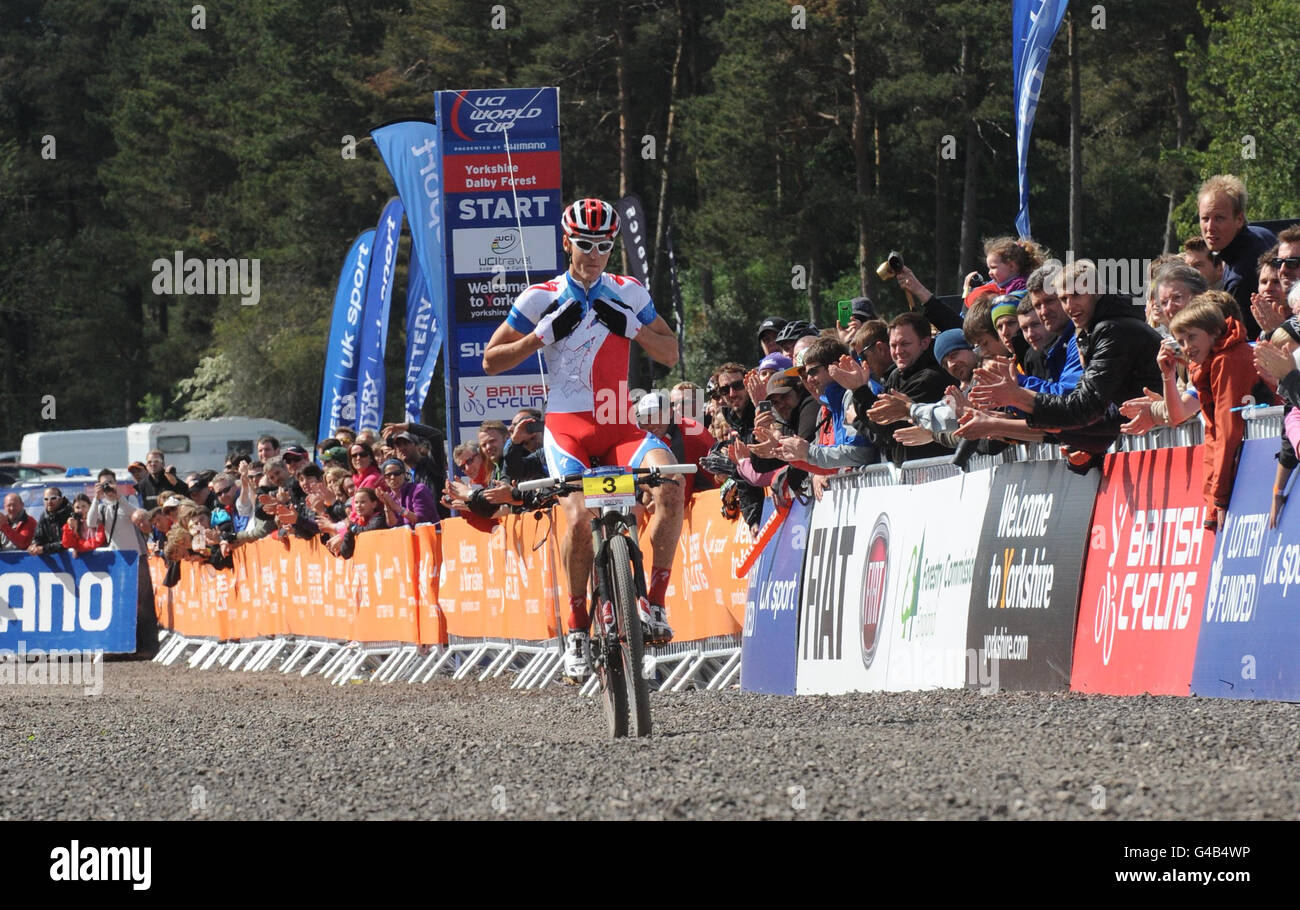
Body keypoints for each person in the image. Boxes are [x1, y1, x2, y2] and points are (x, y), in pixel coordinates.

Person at [481, 197, 683, 681]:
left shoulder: (629, 291)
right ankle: (575, 632)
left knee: (671, 486)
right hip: (568, 427)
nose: (594, 255)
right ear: (567, 242)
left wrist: (633, 328)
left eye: (604, 246)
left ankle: (653, 604)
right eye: (585, 245)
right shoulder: (540, 296)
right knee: (575, 519)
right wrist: (539, 337)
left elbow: (671, 353)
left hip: (620, 423)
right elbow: (491, 360)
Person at [967, 260, 1163, 468]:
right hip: (1144, 441)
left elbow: (1084, 407)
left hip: (1159, 442)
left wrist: (1019, 395)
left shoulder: (1111, 330)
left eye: (1076, 295)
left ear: (1096, 291)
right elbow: (1094, 414)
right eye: (1063, 299)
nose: (1070, 306)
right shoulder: (1091, 331)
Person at [1163, 299, 1274, 530]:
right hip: (1241, 472)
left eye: (1191, 337)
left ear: (1215, 331)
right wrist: (1167, 375)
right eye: (1181, 341)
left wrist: (1220, 497)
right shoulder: (1213, 360)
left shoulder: (1227, 361)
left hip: (1251, 474)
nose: (1186, 347)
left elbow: (1227, 431)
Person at [850, 311, 955, 464]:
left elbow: (888, 431)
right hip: (909, 476)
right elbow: (881, 427)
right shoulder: (895, 376)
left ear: (924, 343)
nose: (898, 351)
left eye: (905, 344)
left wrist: (859, 389)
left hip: (936, 472)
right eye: (893, 345)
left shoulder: (931, 378)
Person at [85, 468, 158, 656]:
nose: (108, 486)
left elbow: (136, 517)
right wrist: (96, 497)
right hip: (117, 559)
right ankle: (121, 647)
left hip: (136, 556)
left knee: (143, 603)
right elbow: (91, 522)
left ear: (116, 483)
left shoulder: (129, 500)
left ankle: (147, 647)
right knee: (119, 603)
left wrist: (118, 497)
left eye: (110, 482)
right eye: (104, 483)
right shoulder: (101, 506)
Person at [1197, 174, 1276, 336]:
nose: (1210, 227)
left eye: (1219, 218)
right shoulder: (1260, 233)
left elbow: (1241, 339)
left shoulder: (1239, 279)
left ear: (1239, 219)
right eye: (1205, 218)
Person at [375, 459, 438, 527]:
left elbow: (420, 519)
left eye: (397, 473)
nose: (392, 477)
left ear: (404, 474)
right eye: (388, 475)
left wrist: (396, 507)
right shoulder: (390, 497)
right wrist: (387, 505)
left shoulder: (418, 489)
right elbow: (392, 524)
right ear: (384, 478)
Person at [29, 487, 73, 555]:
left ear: (60, 499)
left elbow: (67, 543)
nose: (49, 502)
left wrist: (44, 549)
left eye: (53, 498)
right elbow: (38, 537)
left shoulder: (71, 514)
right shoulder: (44, 516)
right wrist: (34, 545)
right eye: (46, 499)